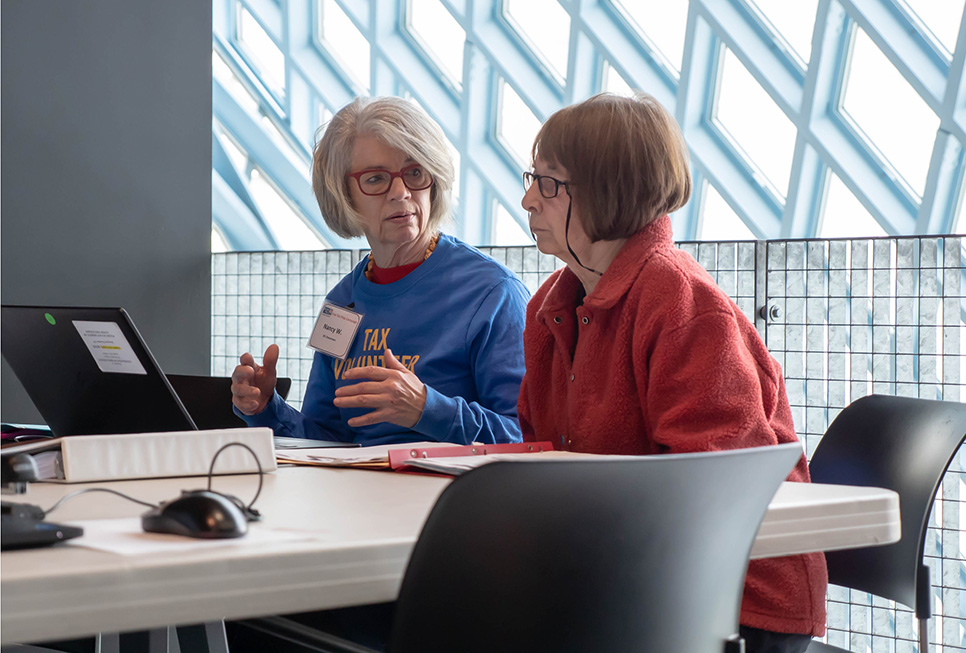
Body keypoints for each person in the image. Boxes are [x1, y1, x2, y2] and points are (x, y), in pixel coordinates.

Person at [517, 92, 828, 653]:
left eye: (547, 184)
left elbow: (715, 489)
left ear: (606, 188)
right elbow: (543, 456)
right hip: (630, 578)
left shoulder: (679, 301)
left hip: (733, 601)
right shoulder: (551, 309)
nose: (527, 200)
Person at [231, 96, 529, 447]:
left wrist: (426, 409)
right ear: (344, 195)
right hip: (355, 495)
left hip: (453, 497)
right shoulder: (343, 302)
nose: (401, 193)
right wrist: (266, 409)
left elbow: (526, 437)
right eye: (376, 179)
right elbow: (326, 439)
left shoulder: (492, 293)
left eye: (415, 173)